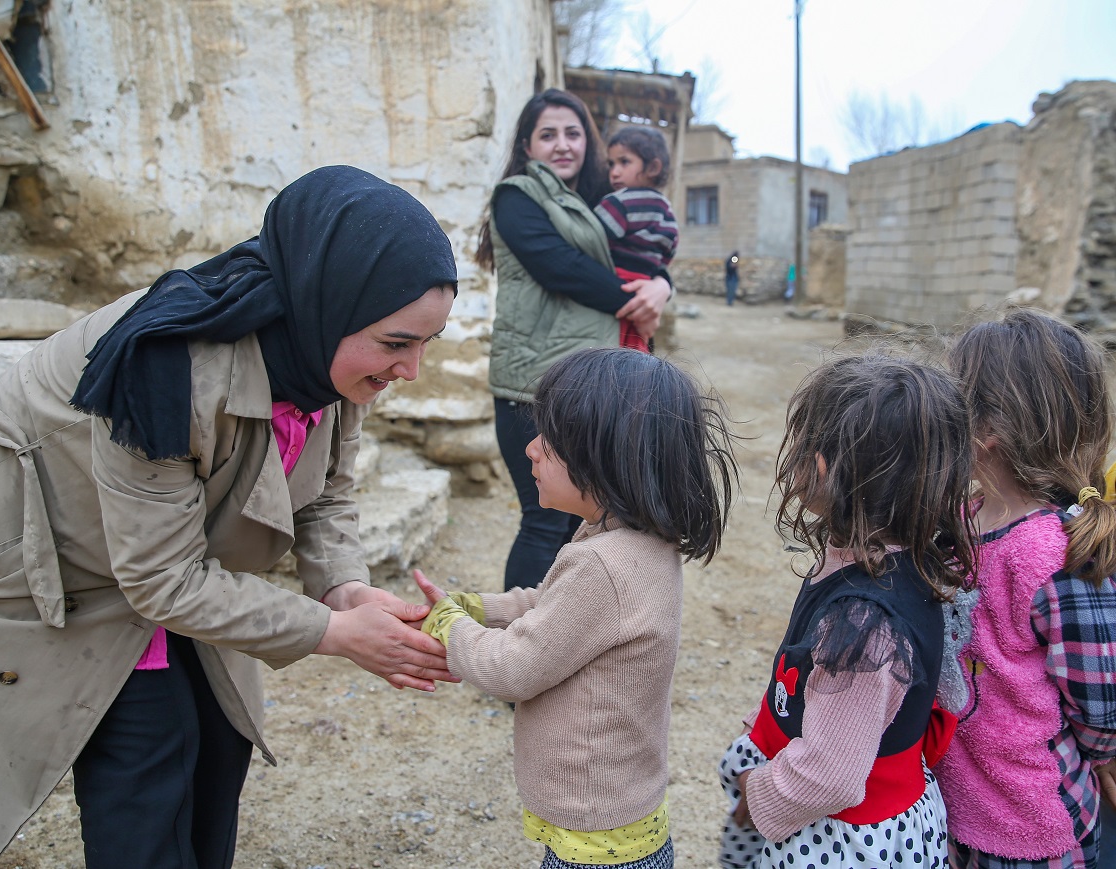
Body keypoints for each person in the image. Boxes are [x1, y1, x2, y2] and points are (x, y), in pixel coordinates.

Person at [0, 166, 459, 869]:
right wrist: (335, 633)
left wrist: (342, 587)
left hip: (157, 548)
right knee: (148, 747)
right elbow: (161, 580)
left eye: (427, 342)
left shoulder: (321, 348)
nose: (412, 368)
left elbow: (325, 490)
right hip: (48, 544)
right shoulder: (167, 365)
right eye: (396, 343)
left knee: (219, 733)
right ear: (329, 300)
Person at [413, 348, 738, 869]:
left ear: (604, 455)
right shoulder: (636, 541)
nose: (531, 449)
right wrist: (477, 608)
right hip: (619, 815)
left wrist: (450, 626)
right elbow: (550, 607)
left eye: (551, 441)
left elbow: (511, 668)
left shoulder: (602, 566)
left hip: (595, 839)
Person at [719, 354, 975, 869]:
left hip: (843, 843)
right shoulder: (901, 556)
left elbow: (830, 776)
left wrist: (759, 795)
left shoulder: (865, 624)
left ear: (817, 467)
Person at [936, 308, 1116, 869]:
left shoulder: (1055, 556)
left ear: (987, 431)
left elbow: (1101, 707)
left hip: (1036, 832)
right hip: (959, 808)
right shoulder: (961, 519)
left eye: (946, 405)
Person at [475, 88, 672, 592]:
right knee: (542, 521)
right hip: (532, 386)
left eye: (573, 132)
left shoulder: (598, 203)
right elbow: (562, 269)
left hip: (592, 384)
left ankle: (558, 647)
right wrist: (637, 299)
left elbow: (645, 256)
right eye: (548, 135)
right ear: (526, 145)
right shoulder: (518, 196)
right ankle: (515, 650)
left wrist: (662, 285)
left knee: (579, 522)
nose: (562, 144)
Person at [594, 125, 679, 352]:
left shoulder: (618, 203)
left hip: (616, 283)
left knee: (609, 348)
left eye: (624, 162)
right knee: (635, 347)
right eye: (611, 164)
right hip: (645, 286)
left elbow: (590, 237)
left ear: (652, 167)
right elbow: (668, 256)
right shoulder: (667, 211)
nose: (614, 171)